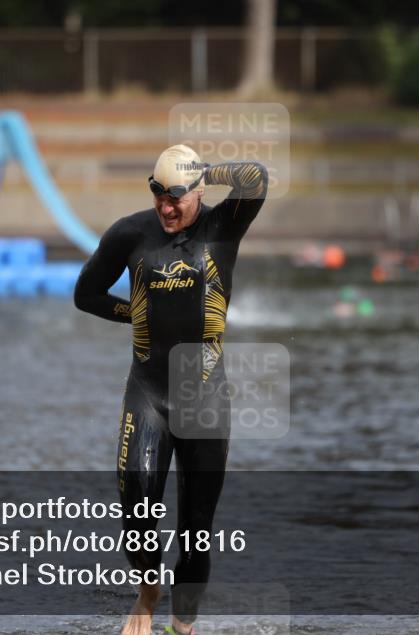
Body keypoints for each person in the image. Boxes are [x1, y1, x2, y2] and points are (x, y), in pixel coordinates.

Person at [74, 145, 267, 635]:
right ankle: (147, 593)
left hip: (203, 396)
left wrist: (208, 169)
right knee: (136, 507)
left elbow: (257, 177)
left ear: (200, 191)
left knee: (196, 531)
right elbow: (85, 294)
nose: (165, 207)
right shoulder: (129, 233)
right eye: (157, 194)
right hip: (149, 392)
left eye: (176, 197)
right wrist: (132, 314)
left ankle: (182, 625)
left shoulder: (223, 228)